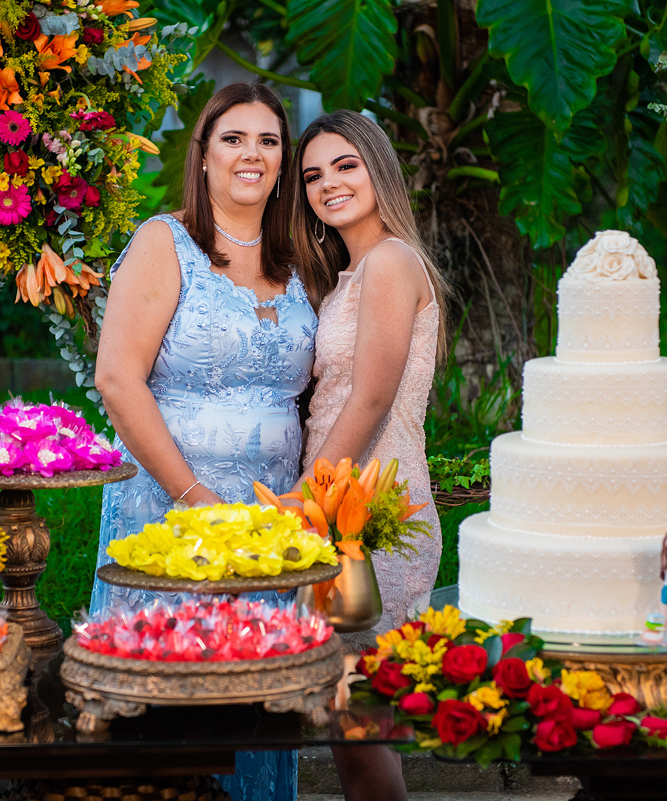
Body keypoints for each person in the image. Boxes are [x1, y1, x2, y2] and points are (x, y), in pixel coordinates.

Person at [90, 83, 315, 801]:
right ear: (205, 153)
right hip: (169, 509)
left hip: (268, 521)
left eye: (269, 141)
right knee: (177, 696)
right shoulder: (167, 242)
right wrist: (194, 498)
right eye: (234, 138)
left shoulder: (301, 258)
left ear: (283, 160)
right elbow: (118, 379)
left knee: (255, 697)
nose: (253, 154)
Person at [293, 109, 449, 801]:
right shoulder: (352, 269)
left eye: (345, 165)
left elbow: (372, 396)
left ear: (378, 168)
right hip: (347, 500)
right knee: (350, 720)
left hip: (370, 509)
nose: (329, 184)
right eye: (313, 175)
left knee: (358, 720)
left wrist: (304, 499)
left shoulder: (390, 260)